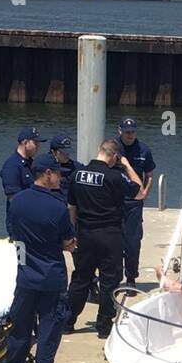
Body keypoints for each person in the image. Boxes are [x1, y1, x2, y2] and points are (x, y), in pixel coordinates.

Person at [4, 155, 76, 363]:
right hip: (51, 278)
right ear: (47, 173)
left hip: (25, 276)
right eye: (57, 173)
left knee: (20, 327)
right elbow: (68, 242)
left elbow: (13, 234)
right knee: (48, 330)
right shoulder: (58, 207)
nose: (59, 178)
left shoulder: (18, 201)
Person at [65, 141, 142, 338]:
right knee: (109, 280)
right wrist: (126, 165)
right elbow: (139, 191)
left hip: (85, 234)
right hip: (110, 234)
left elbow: (71, 206)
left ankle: (68, 320)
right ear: (115, 156)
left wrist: (73, 232)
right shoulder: (115, 176)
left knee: (81, 277)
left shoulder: (77, 174)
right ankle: (104, 326)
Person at [117, 116, 155, 284]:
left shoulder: (143, 150)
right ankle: (115, 276)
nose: (130, 135)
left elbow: (149, 175)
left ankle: (131, 276)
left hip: (134, 202)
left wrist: (145, 192)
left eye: (132, 132)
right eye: (126, 132)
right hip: (115, 200)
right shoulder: (113, 149)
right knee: (114, 240)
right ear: (120, 131)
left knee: (132, 241)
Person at [0, 127, 46, 231]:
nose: (38, 146)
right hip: (21, 224)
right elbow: (13, 199)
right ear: (25, 143)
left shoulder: (31, 163)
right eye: (35, 143)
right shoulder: (12, 166)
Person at [49, 133, 84, 203]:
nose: (67, 155)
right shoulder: (43, 165)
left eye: (68, 152)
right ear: (54, 152)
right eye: (63, 152)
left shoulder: (76, 167)